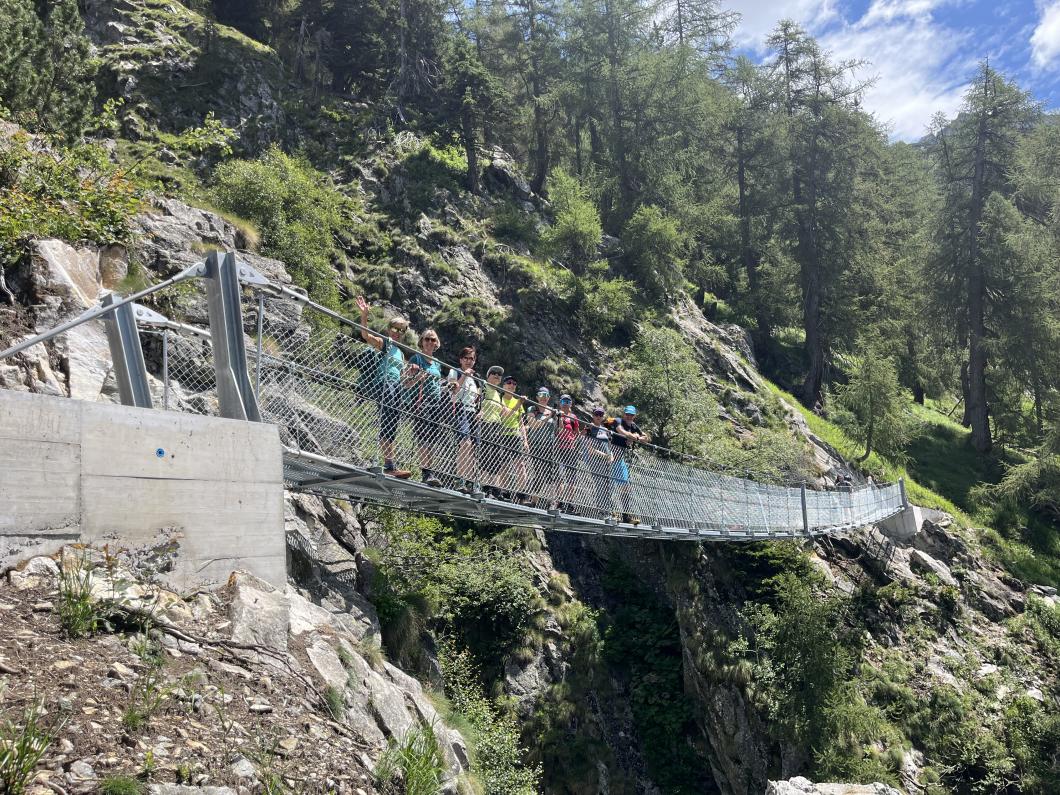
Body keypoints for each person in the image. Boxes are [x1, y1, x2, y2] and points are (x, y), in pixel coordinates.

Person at [355, 295, 411, 478]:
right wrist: (364, 315)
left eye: (401, 330)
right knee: (387, 420)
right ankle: (388, 464)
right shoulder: (385, 343)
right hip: (385, 383)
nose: (397, 332)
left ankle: (390, 465)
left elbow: (403, 378)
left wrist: (412, 374)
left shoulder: (400, 353)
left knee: (392, 424)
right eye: (394, 328)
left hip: (397, 387)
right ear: (389, 329)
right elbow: (366, 336)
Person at [406, 329, 445, 487]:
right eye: (427, 339)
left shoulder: (437, 363)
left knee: (432, 438)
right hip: (421, 400)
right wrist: (417, 377)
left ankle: (430, 471)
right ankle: (426, 473)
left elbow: (438, 384)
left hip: (436, 403)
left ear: (436, 343)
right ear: (421, 341)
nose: (430, 342)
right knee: (423, 435)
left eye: (433, 339)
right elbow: (406, 383)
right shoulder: (416, 358)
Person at [606, 405, 649, 525]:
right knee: (612, 486)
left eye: (631, 415)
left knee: (625, 487)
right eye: (627, 414)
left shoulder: (633, 426)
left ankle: (625, 515)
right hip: (612, 457)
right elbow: (621, 431)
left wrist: (637, 437)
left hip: (620, 459)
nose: (629, 416)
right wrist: (632, 436)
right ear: (624, 414)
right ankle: (611, 513)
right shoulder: (618, 421)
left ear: (634, 416)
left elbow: (646, 438)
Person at [447, 346, 479, 493]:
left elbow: (476, 398)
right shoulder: (455, 371)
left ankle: (469, 482)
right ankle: (460, 479)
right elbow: (454, 390)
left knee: (473, 448)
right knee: (465, 443)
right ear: (460, 359)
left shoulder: (475, 379)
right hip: (460, 409)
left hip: (472, 413)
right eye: (466, 358)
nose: (468, 361)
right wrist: (464, 375)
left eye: (471, 358)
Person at [523, 387, 558, 506]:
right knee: (538, 473)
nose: (544, 398)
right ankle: (534, 501)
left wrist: (558, 416)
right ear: (537, 397)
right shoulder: (532, 409)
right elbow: (533, 425)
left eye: (546, 395)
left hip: (549, 445)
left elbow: (558, 429)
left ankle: (551, 502)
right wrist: (549, 417)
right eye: (541, 395)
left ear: (549, 398)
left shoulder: (552, 411)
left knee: (550, 474)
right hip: (536, 445)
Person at [584, 407, 615, 518]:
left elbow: (608, 445)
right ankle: (601, 511)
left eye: (600, 415)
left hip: (606, 462)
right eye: (596, 414)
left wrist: (611, 455)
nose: (598, 416)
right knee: (600, 485)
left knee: (609, 486)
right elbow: (589, 448)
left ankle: (607, 510)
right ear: (593, 415)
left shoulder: (605, 429)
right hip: (596, 461)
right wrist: (605, 455)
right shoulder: (590, 427)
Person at [555, 394, 581, 511]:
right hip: (559, 448)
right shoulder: (556, 414)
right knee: (559, 476)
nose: (565, 404)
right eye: (563, 401)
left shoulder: (573, 417)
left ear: (571, 404)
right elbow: (558, 430)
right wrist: (560, 418)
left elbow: (576, 432)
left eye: (568, 402)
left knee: (571, 477)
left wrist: (575, 442)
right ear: (560, 403)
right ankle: (559, 501)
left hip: (570, 449)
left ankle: (570, 503)